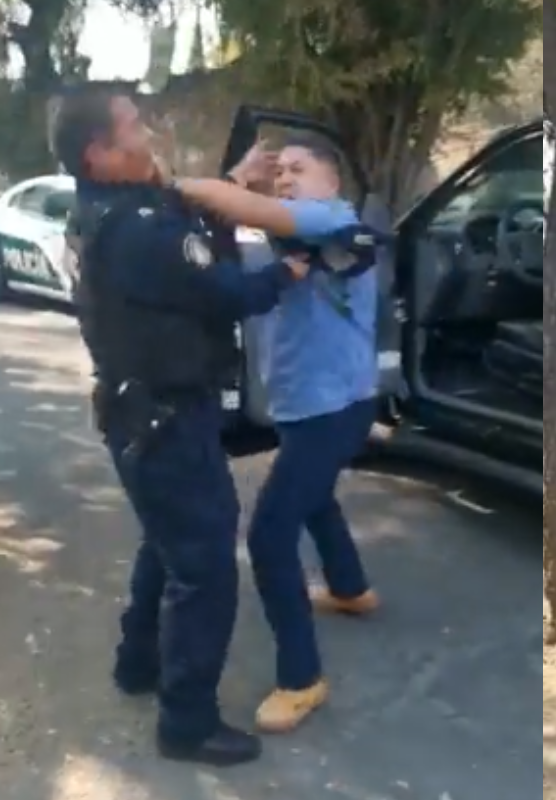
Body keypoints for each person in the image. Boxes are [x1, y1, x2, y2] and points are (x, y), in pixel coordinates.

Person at [51, 91, 310, 765]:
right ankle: (186, 723)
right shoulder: (137, 230)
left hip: (140, 416)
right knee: (204, 568)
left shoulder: (104, 213)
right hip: (165, 418)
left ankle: (137, 665)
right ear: (98, 154)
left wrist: (233, 185)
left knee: (166, 543)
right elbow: (226, 287)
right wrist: (289, 269)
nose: (149, 132)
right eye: (133, 127)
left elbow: (179, 218)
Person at [170, 136, 381, 733]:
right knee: (315, 497)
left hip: (331, 409)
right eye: (280, 170)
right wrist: (257, 186)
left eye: (299, 169)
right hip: (314, 405)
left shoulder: (333, 219)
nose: (285, 178)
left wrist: (172, 187)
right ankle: (350, 588)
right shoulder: (305, 230)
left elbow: (248, 209)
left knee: (269, 536)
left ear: (332, 183)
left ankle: (302, 677)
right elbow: (263, 217)